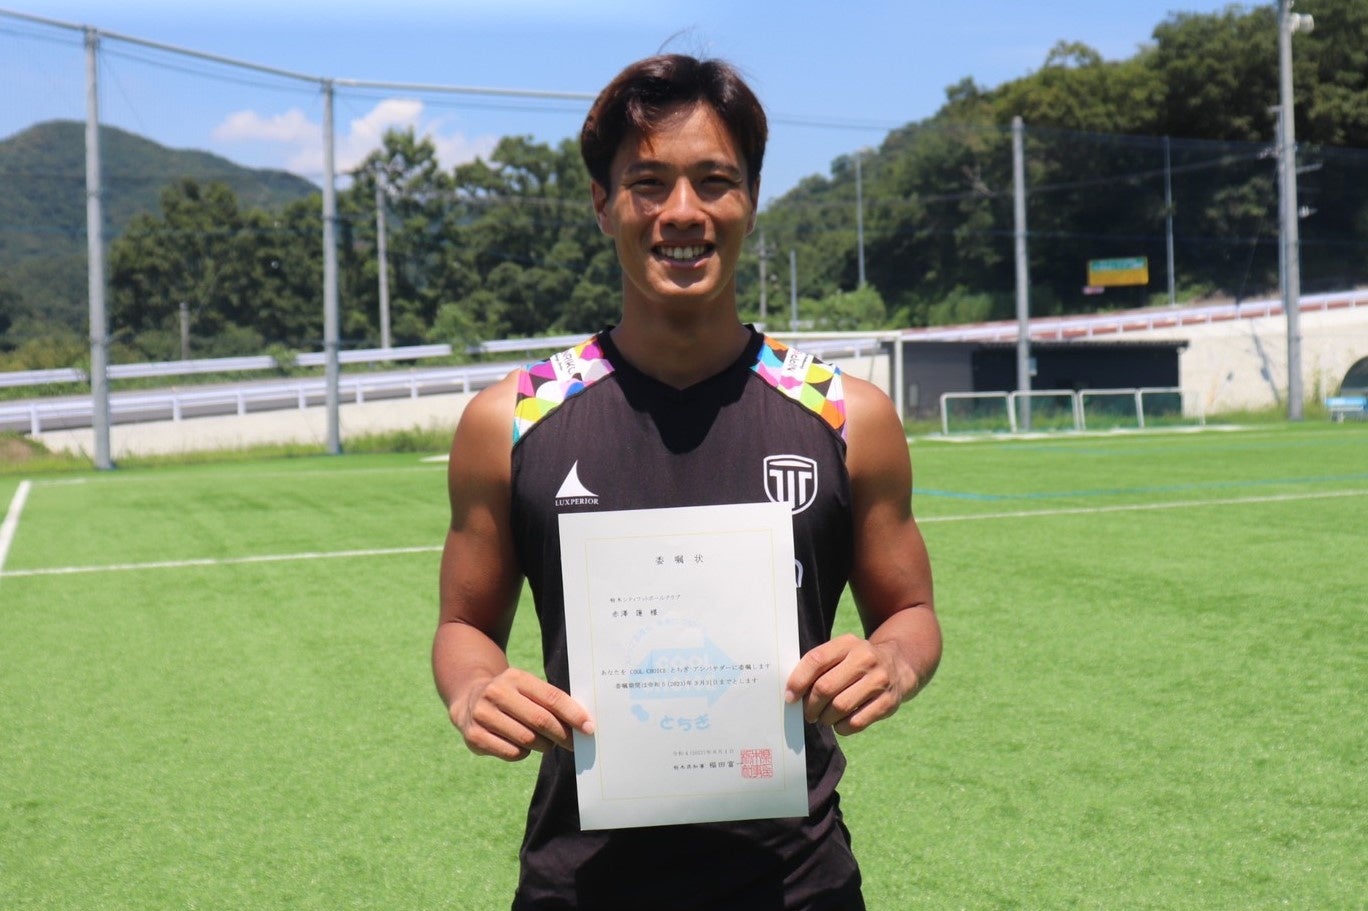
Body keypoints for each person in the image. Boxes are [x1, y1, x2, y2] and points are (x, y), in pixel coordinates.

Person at [432, 53, 940, 911]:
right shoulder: (509, 421)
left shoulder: (849, 416)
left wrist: (891, 661)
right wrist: (475, 687)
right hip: (580, 883)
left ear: (752, 198)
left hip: (799, 882)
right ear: (602, 204)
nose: (682, 212)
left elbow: (911, 610)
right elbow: (463, 625)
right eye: (648, 183)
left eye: (714, 181)